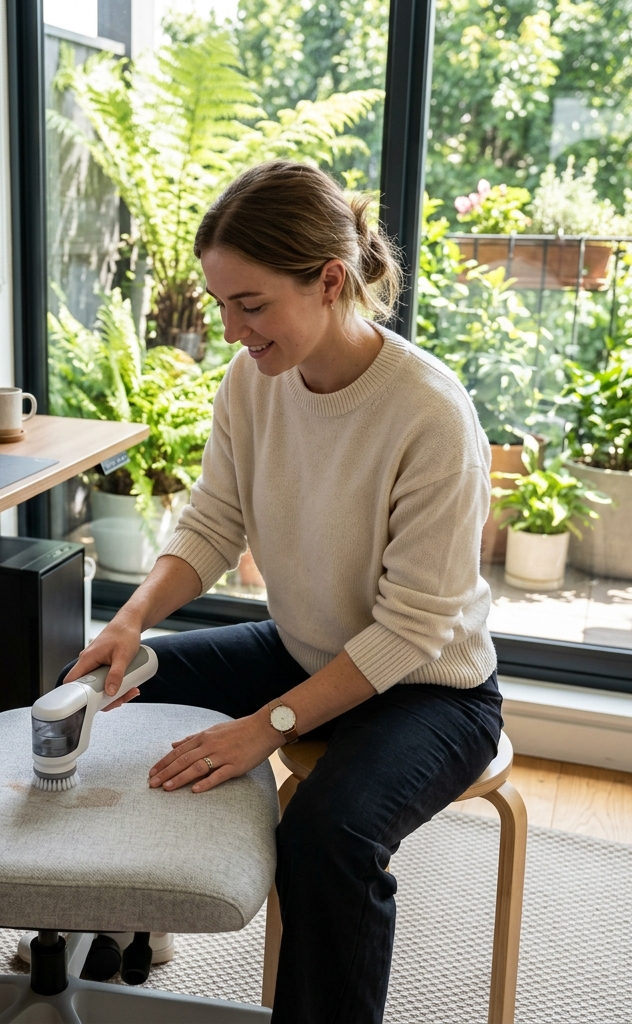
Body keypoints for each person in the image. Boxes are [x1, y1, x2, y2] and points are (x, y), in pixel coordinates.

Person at [62, 161, 502, 1023]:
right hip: (309, 647)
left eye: (250, 305)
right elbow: (211, 526)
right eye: (222, 303)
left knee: (326, 837)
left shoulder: (431, 416)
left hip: (431, 689)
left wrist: (266, 726)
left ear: (330, 280)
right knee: (111, 687)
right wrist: (130, 618)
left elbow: (413, 629)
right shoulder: (251, 385)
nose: (230, 330)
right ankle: (115, 927)